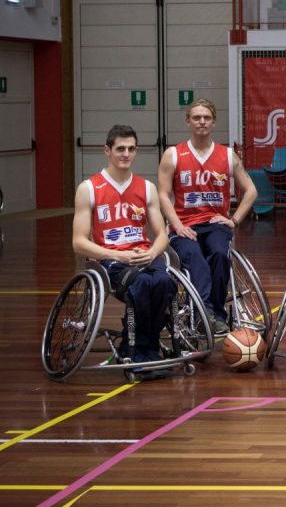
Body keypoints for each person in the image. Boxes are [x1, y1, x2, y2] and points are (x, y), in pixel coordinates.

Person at [72, 124, 175, 370]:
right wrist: (119, 255)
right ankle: (141, 351)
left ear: (137, 151)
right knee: (142, 284)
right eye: (120, 149)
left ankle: (146, 347)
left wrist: (152, 252)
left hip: (144, 255)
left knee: (164, 282)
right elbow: (79, 242)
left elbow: (162, 235)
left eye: (131, 149)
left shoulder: (146, 188)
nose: (126, 154)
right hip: (111, 260)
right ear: (107, 150)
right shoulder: (89, 189)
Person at [156, 98, 257, 337]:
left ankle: (214, 315)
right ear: (188, 121)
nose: (202, 121)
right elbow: (162, 194)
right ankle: (206, 314)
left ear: (214, 122)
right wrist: (177, 226)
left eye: (206, 117)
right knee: (195, 258)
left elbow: (251, 191)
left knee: (220, 254)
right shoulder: (173, 154)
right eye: (196, 117)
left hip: (214, 223)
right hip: (184, 225)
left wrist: (235, 219)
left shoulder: (227, 155)